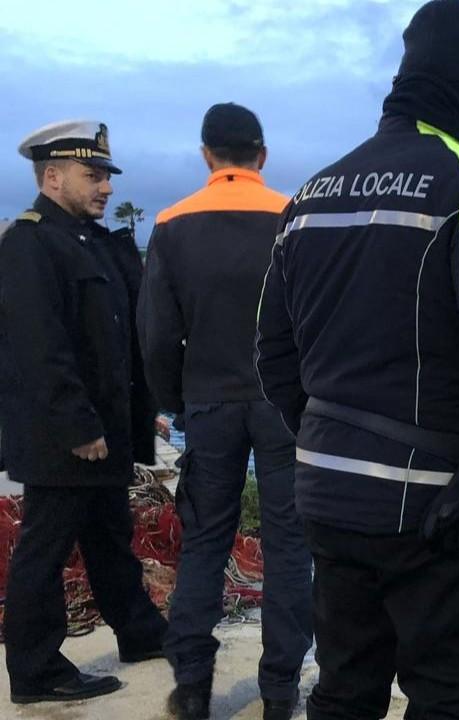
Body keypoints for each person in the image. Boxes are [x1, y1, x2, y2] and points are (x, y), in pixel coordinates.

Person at [255, 1, 459, 717]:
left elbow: (272, 353)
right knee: (447, 694)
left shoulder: (309, 196)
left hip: (328, 495)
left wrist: (330, 436)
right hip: (437, 508)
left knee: (344, 686)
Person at [137, 103, 313, 720]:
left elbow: (157, 336)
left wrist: (175, 402)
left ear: (207, 155)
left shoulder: (170, 223)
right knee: (291, 545)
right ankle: (281, 690)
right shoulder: (294, 218)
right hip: (284, 405)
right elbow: (316, 323)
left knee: (206, 539)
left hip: (208, 401)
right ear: (261, 156)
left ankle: (191, 686)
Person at [0, 120, 168, 704]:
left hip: (101, 427)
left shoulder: (89, 241)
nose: (103, 187)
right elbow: (38, 346)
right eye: (91, 175)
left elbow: (113, 340)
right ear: (52, 176)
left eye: (105, 176)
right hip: (62, 432)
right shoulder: (29, 243)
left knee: (108, 533)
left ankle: (141, 632)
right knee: (44, 549)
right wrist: (76, 424)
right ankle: (35, 669)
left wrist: (142, 411)